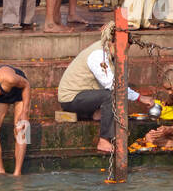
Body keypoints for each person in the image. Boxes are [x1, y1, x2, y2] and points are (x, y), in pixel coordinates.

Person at [57, 25, 155, 154]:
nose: (123, 53)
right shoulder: (98, 54)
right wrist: (139, 97)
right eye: (122, 49)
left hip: (85, 95)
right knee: (110, 96)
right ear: (112, 42)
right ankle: (104, 140)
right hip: (71, 98)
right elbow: (113, 85)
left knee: (109, 95)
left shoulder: (108, 51)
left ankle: (95, 113)